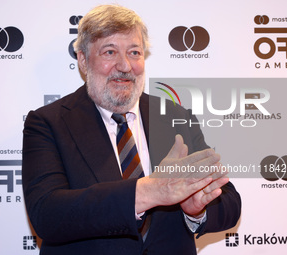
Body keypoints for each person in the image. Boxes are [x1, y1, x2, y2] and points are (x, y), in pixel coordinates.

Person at [22, 4, 241, 255]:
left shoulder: (175, 116)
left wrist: (197, 210)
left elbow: (230, 203)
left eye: (134, 52)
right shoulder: (48, 123)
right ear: (83, 60)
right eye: (109, 52)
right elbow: (47, 215)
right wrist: (148, 191)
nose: (125, 65)